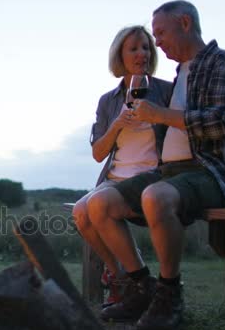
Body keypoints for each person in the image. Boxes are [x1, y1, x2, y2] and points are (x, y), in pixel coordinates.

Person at [87, 0, 225, 330]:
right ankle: (140, 286)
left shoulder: (223, 63)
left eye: (160, 33)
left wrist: (159, 115)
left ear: (186, 24)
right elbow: (100, 149)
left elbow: (223, 124)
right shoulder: (181, 73)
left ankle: (169, 294)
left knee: (155, 196)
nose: (156, 43)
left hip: (212, 171)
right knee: (98, 203)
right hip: (171, 172)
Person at [72, 25, 172, 307]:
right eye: (134, 48)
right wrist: (117, 124)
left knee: (96, 206)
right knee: (81, 213)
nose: (142, 53)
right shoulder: (108, 101)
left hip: (153, 176)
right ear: (120, 55)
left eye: (146, 47)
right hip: (114, 177)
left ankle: (140, 284)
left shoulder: (165, 90)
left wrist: (158, 115)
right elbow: (97, 153)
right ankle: (122, 281)